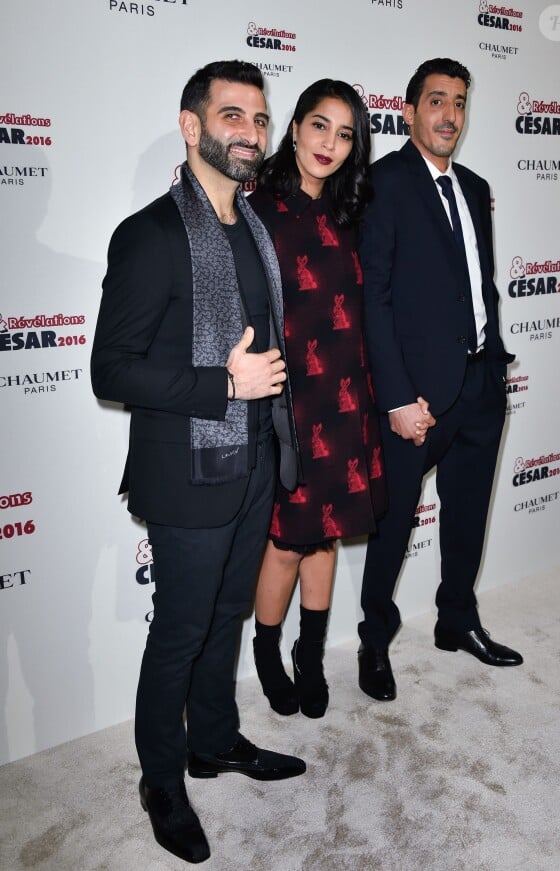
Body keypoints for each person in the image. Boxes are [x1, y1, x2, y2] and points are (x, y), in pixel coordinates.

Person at [91, 60, 306, 865]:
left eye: (258, 116)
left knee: (226, 617)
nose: (251, 131)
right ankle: (161, 778)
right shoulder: (149, 234)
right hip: (186, 469)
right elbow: (111, 369)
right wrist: (225, 383)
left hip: (252, 459)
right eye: (232, 116)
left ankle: (214, 739)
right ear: (193, 127)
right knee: (178, 630)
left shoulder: (254, 227)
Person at [357, 58, 523, 703]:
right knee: (394, 522)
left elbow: (473, 288)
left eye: (458, 103)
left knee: (466, 517)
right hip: (417, 396)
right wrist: (396, 396)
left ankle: (457, 618)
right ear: (408, 111)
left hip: (482, 380)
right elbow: (375, 299)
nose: (449, 115)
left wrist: (495, 359)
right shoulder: (383, 184)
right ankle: (375, 637)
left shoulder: (476, 186)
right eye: (436, 102)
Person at [249, 80, 387, 719]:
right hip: (286, 402)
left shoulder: (352, 213)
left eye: (345, 133)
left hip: (344, 394)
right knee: (285, 541)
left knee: (326, 537)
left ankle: (310, 655)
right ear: (295, 129)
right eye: (319, 126)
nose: (329, 143)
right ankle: (269, 652)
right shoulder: (257, 212)